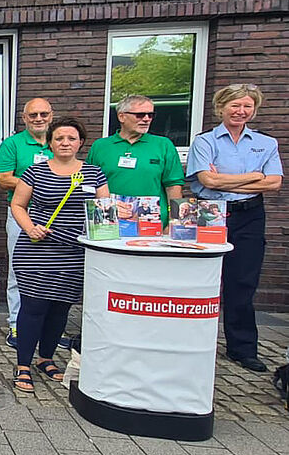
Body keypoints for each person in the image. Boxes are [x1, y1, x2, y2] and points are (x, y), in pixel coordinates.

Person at [186, 83, 283, 372]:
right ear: (221, 107)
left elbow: (274, 182)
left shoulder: (267, 143)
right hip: (211, 213)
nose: (241, 111)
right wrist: (254, 176)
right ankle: (190, 342)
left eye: (247, 106)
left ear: (254, 109)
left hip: (250, 216)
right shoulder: (205, 142)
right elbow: (208, 181)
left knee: (242, 281)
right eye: (235, 105)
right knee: (200, 280)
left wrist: (229, 178)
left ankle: (242, 349)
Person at [10, 118, 108, 392]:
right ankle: (23, 365)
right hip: (37, 250)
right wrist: (30, 227)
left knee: (60, 308)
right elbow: (18, 205)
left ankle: (46, 358)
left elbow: (104, 210)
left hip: (74, 252)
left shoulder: (94, 174)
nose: (65, 143)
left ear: (80, 142)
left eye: (71, 138)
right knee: (34, 307)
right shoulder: (35, 172)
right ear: (50, 142)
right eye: (60, 138)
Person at [0, 98, 54, 349]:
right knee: (19, 269)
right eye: (33, 115)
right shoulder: (12, 145)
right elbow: (5, 179)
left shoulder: (59, 142)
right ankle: (16, 325)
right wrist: (40, 183)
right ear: (24, 117)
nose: (38, 119)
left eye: (43, 114)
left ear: (51, 116)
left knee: (52, 271)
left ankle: (48, 327)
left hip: (56, 217)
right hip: (23, 213)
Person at [87, 95, 184, 231]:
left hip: (152, 224)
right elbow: (90, 185)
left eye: (150, 115)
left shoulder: (163, 145)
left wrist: (174, 221)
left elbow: (173, 186)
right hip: (109, 223)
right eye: (140, 115)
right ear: (121, 117)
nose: (146, 119)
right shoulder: (100, 146)